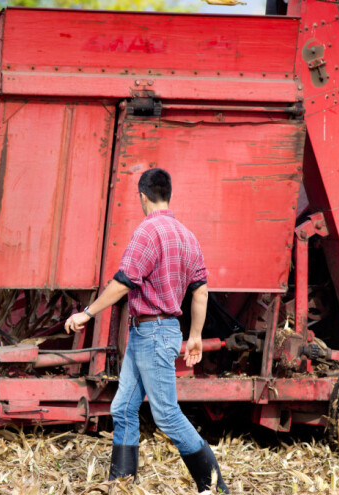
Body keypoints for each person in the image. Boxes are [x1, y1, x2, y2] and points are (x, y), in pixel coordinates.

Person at [64, 168, 229, 493]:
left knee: (166, 414)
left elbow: (123, 282)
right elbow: (200, 290)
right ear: (168, 194)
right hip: (157, 332)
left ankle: (213, 484)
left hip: (151, 334)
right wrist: (195, 335)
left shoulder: (147, 232)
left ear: (142, 196)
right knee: (123, 408)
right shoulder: (187, 235)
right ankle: (122, 483)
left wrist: (87, 313)